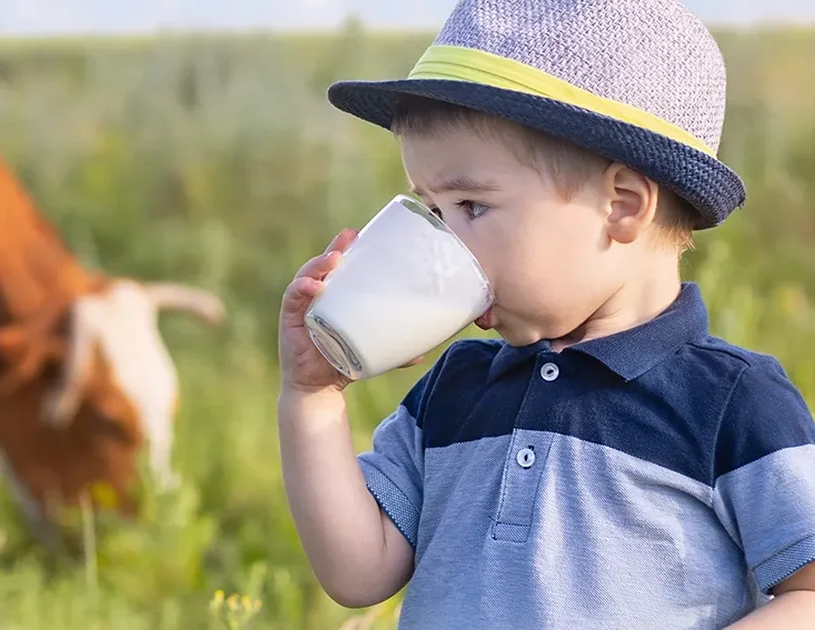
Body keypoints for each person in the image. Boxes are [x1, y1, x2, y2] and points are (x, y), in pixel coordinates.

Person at [275, 1, 815, 627]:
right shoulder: (455, 392)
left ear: (621, 205)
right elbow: (357, 572)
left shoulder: (730, 403)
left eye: (471, 205)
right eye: (430, 208)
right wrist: (312, 398)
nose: (444, 243)